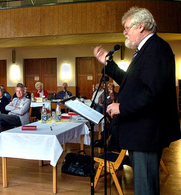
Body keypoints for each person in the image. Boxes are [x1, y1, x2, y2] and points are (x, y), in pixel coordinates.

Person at [93, 7, 181, 195]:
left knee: (145, 188)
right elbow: (131, 82)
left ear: (141, 26)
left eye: (127, 28)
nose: (125, 33)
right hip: (141, 131)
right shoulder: (145, 50)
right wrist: (108, 65)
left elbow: (153, 93)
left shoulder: (156, 48)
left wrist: (122, 107)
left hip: (146, 133)